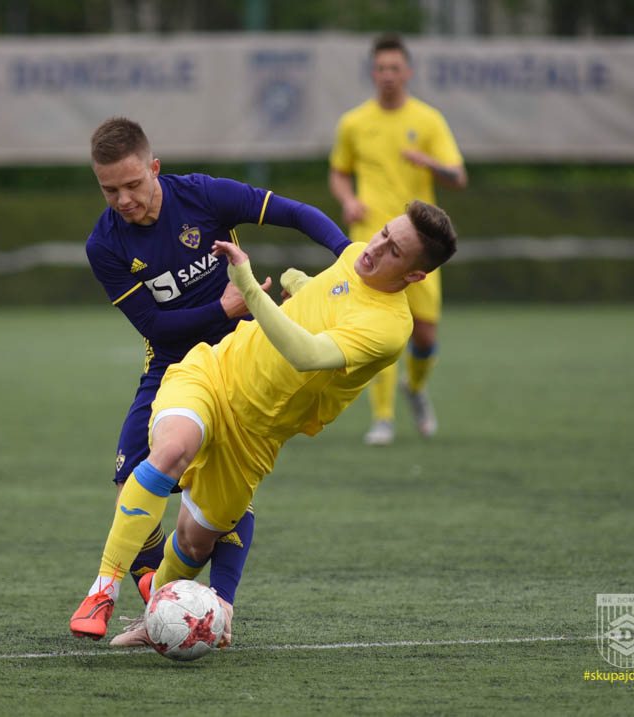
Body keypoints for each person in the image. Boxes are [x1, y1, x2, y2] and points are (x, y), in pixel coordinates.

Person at [70, 200, 457, 645]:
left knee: (195, 542)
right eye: (384, 232)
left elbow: (307, 354)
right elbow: (331, 297)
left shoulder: (389, 328)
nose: (376, 247)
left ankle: (155, 611)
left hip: (257, 434)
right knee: (172, 449)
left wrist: (249, 286)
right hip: (214, 372)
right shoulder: (355, 254)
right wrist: (301, 284)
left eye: (394, 251)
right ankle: (103, 589)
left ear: (414, 276)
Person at [81, 117, 352, 645]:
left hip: (238, 358)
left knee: (226, 483)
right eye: (110, 190)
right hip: (170, 362)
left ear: (154, 168)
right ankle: (157, 596)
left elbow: (294, 213)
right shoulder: (104, 244)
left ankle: (219, 604)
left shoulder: (202, 196)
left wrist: (347, 255)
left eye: (133, 184)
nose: (124, 200)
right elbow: (154, 326)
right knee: (129, 479)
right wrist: (223, 307)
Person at [328, 34, 466, 445]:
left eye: (395, 68)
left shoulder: (428, 120)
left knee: (424, 336)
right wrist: (349, 200)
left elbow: (458, 177)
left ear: (408, 72)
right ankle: (383, 418)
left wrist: (429, 162)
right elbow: (339, 172)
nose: (388, 75)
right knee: (377, 328)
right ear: (372, 73)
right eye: (381, 68)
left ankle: (416, 388)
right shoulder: (353, 123)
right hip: (371, 239)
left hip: (417, 245)